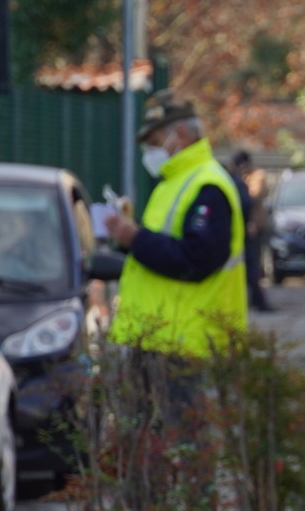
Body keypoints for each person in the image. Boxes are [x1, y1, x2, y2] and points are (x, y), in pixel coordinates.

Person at [104, 90, 248, 359]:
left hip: (187, 343)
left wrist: (135, 238)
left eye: (155, 142)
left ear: (180, 134)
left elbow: (197, 259)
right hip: (157, 339)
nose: (149, 151)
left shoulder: (207, 186)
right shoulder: (172, 183)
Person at [229, 150, 274, 313]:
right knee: (248, 265)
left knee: (252, 264)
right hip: (246, 226)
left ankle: (257, 301)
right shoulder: (239, 178)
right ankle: (253, 300)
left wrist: (250, 223)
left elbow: (252, 198)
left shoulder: (256, 176)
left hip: (253, 226)